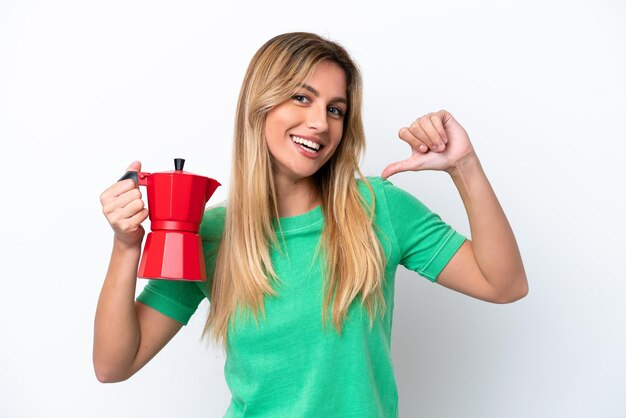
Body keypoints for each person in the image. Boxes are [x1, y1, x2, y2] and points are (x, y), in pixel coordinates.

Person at [94, 32, 528, 417]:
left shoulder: (380, 208)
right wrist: (126, 247)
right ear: (261, 105)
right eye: (301, 98)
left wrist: (464, 166)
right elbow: (114, 365)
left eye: (335, 109)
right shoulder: (209, 235)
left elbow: (503, 284)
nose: (321, 123)